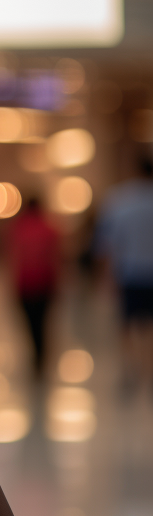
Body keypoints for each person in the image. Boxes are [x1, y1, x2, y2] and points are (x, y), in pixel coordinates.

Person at [97, 155, 153, 396]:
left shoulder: (119, 200)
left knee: (127, 327)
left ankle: (130, 370)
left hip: (129, 273)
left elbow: (107, 244)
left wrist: (107, 277)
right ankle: (148, 371)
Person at [7, 197, 60, 379]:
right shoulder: (49, 228)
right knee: (43, 322)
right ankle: (41, 356)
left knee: (30, 323)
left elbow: (12, 258)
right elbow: (57, 258)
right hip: (46, 283)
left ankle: (36, 355)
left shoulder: (18, 228)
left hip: (24, 284)